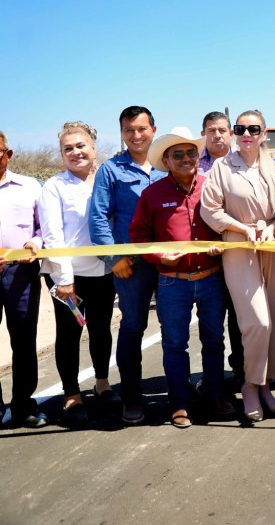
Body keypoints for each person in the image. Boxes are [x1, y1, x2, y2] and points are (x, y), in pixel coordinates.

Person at [129, 127, 232, 429]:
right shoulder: (152, 195)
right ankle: (179, 403)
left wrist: (222, 242)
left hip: (212, 277)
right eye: (178, 154)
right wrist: (159, 257)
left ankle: (213, 395)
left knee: (214, 340)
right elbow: (138, 237)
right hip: (172, 282)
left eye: (191, 152)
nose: (187, 158)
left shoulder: (213, 187)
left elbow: (227, 222)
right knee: (175, 344)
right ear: (167, 160)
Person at [200, 109, 275, 422]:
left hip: (272, 250)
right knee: (257, 322)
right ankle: (249, 384)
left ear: (264, 134)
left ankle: (265, 386)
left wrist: (273, 226)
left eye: (254, 129)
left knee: (273, 320)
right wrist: (241, 227)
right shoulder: (222, 168)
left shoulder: (274, 167)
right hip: (239, 250)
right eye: (241, 129)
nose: (246, 134)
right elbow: (209, 210)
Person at [88, 105, 166, 425]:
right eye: (128, 130)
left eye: (141, 129)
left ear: (153, 130)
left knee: (174, 328)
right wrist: (113, 258)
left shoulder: (166, 165)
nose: (135, 135)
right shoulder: (111, 170)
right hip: (131, 267)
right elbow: (98, 218)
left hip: (169, 263)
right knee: (133, 328)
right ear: (122, 133)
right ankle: (132, 398)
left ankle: (178, 393)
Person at [39, 122, 118, 427]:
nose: (75, 152)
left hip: (104, 271)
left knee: (101, 329)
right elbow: (53, 236)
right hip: (70, 278)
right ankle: (71, 394)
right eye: (67, 148)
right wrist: (64, 280)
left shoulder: (106, 179)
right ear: (61, 154)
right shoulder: (54, 187)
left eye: (80, 145)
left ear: (93, 147)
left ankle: (102, 383)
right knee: (70, 335)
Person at [0, 130, 47, 428]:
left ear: (8, 154)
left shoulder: (30, 187)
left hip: (21, 274)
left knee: (24, 340)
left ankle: (23, 407)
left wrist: (36, 243)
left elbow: (45, 227)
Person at [196, 110, 244, 387]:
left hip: (239, 250)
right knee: (211, 321)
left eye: (222, 130)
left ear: (230, 133)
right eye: (211, 130)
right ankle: (210, 377)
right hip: (208, 254)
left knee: (241, 315)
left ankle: (242, 369)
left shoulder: (241, 162)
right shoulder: (192, 163)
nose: (217, 135)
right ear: (204, 133)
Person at [197, 111, 232, 175]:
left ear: (231, 134)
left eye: (222, 130)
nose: (217, 135)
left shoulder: (244, 160)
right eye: (212, 131)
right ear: (203, 134)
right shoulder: (194, 163)